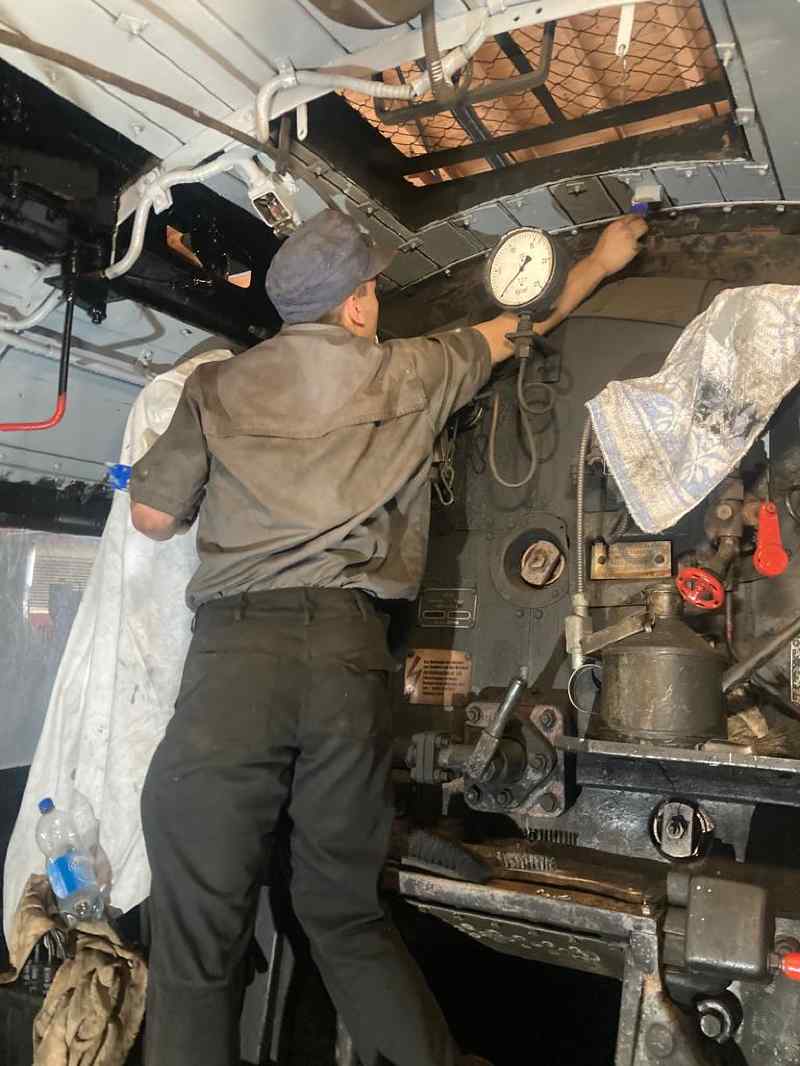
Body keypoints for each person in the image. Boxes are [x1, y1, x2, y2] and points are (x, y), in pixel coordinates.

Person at [129, 208, 647, 1066]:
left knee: (196, 946)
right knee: (343, 913)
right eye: (370, 287)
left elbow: (151, 516)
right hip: (348, 658)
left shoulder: (214, 388)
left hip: (236, 660)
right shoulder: (413, 368)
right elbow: (520, 324)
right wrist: (599, 259)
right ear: (357, 305)